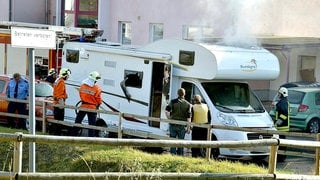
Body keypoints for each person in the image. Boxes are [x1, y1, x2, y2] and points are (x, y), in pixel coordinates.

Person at [72, 71, 102, 137]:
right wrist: (98, 104)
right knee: (91, 125)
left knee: (78, 121)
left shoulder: (82, 86)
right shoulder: (97, 88)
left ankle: (73, 136)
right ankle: (90, 139)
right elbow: (99, 99)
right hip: (92, 108)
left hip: (83, 106)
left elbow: (80, 94)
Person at [165, 88, 192, 156]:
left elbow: (166, 111)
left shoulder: (173, 101)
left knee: (173, 142)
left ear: (177, 93)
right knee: (181, 142)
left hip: (173, 124)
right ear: (184, 94)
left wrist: (169, 118)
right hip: (182, 126)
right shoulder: (188, 104)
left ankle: (173, 156)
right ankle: (180, 156)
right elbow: (188, 118)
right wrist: (188, 128)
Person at [51, 68, 71, 135]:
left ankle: (56, 133)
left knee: (56, 119)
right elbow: (60, 94)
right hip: (59, 102)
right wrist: (61, 104)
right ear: (65, 75)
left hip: (56, 102)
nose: (68, 77)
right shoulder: (61, 82)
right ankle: (57, 134)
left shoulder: (57, 80)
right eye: (68, 75)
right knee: (60, 120)